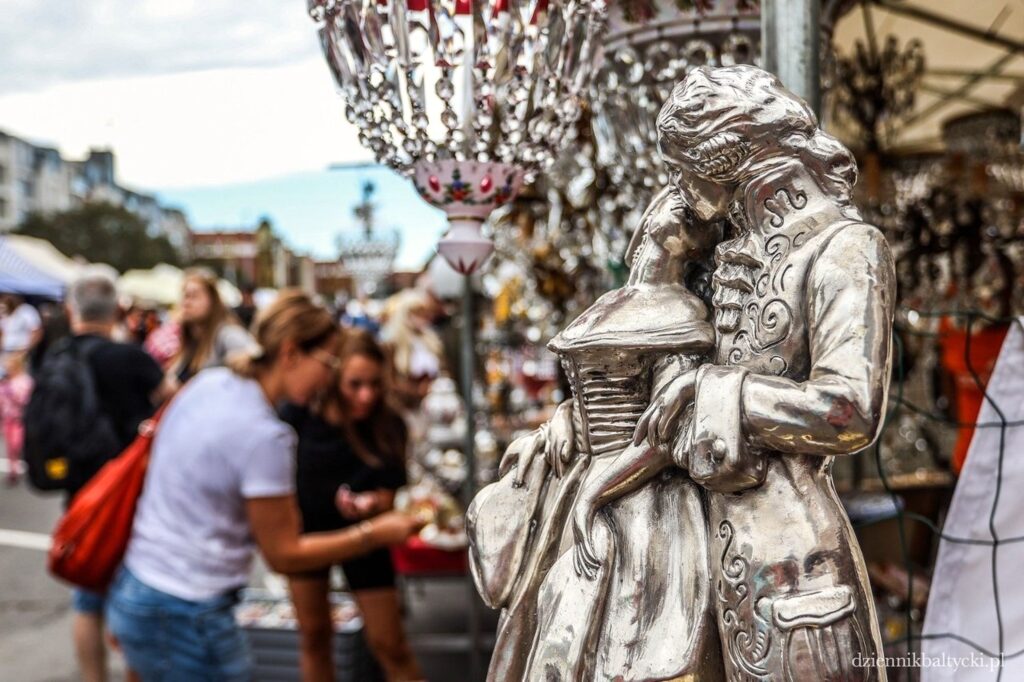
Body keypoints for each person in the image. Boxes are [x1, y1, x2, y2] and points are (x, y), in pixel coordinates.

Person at [106, 291, 423, 681]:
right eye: (328, 362)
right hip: (189, 607)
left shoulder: (210, 382)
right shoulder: (267, 434)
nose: (329, 376)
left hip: (140, 588)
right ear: (290, 353)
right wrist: (373, 532)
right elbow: (283, 555)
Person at [49, 273, 173, 682]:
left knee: (88, 600)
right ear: (117, 310)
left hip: (81, 492)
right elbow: (171, 404)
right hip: (130, 491)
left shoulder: (55, 356)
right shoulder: (130, 357)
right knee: (134, 597)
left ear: (72, 311)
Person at [281, 329, 423, 682]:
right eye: (355, 384)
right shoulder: (300, 416)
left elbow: (390, 494)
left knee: (390, 643)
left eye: (375, 384)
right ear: (333, 378)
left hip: (368, 538)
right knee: (315, 636)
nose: (366, 395)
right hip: (308, 535)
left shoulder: (388, 425)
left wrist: (372, 503)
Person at [170, 268, 255, 385]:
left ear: (212, 299)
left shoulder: (227, 334)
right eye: (185, 296)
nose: (186, 303)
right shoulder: (190, 341)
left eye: (194, 296)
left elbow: (254, 359)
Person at [0, 351, 33, 485]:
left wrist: (13, 394)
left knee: (17, 444)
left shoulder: (25, 381)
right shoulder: (5, 383)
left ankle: (28, 465)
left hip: (21, 419)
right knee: (10, 446)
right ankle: (13, 472)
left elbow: (26, 399)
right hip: (8, 418)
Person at [0, 294, 42, 363]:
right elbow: (3, 332)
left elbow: (36, 331)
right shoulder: (6, 311)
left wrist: (26, 350)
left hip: (20, 351)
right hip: (5, 352)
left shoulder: (26, 310)